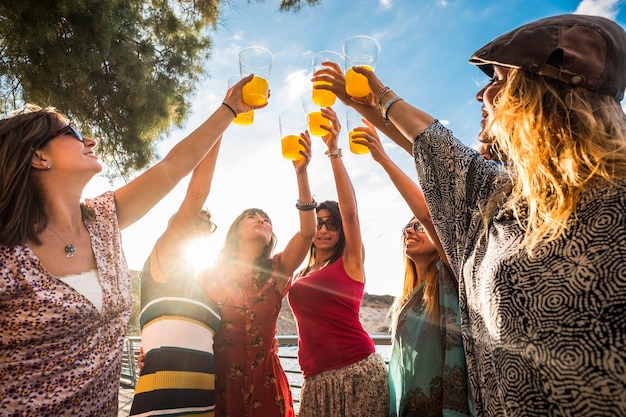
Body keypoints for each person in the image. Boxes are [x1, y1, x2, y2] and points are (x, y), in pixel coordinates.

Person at [317, 14, 626, 416]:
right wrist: (364, 102)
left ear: (544, 92)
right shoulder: (504, 198)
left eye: (497, 80)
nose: (482, 95)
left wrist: (385, 96)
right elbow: (434, 146)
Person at [0, 74, 263, 416]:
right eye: (74, 133)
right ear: (38, 157)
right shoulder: (8, 256)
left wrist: (230, 108)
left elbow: (174, 166)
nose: (90, 141)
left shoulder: (103, 219)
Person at [198, 131, 316, 417]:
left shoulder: (277, 270)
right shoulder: (208, 275)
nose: (261, 220)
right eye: (253, 217)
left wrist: (302, 172)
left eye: (267, 220)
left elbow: (307, 232)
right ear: (235, 230)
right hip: (220, 383)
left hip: (268, 385)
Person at [287, 107, 389, 417]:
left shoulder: (350, 261)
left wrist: (333, 150)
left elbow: (351, 213)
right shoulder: (302, 271)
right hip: (315, 380)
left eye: (332, 223)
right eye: (319, 222)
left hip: (358, 372)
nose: (324, 229)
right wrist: (300, 171)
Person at [129, 139, 222, 416]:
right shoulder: (161, 260)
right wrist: (226, 120)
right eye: (195, 219)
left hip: (203, 402)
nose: (202, 226)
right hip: (163, 401)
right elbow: (196, 194)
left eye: (207, 224)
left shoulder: (200, 284)